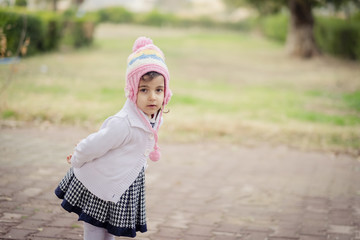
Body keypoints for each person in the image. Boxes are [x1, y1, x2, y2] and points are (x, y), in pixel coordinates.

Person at [54, 36, 172, 240]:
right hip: (100, 183)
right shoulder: (124, 123)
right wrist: (76, 158)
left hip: (122, 184)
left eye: (158, 90)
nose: (152, 97)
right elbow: (95, 144)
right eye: (144, 90)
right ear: (132, 90)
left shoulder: (152, 117)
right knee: (94, 230)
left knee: (110, 231)